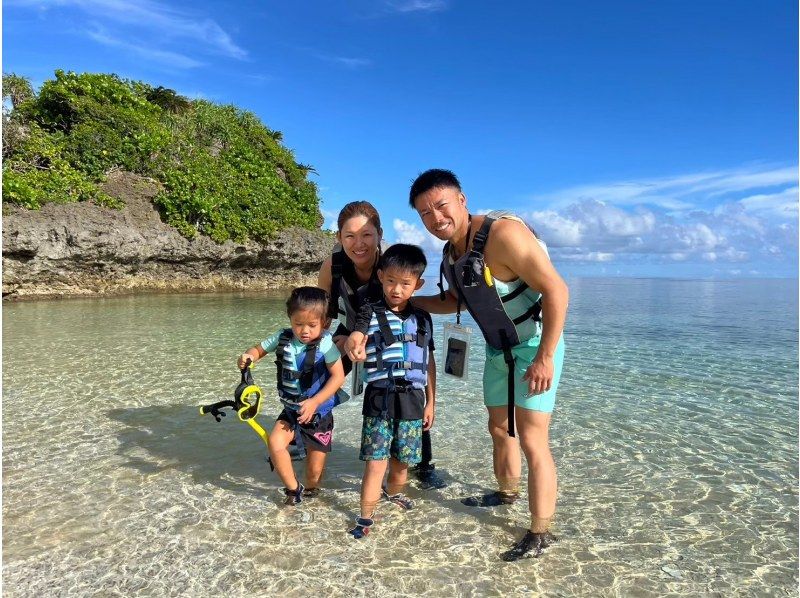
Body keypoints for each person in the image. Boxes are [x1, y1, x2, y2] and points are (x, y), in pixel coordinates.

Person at [408, 169, 568, 561]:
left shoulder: (504, 236)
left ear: (462, 199)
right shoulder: (450, 255)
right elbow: (456, 303)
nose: (436, 218)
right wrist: (411, 302)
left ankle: (540, 532)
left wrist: (546, 356)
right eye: (425, 213)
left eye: (441, 205)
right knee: (499, 428)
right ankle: (506, 492)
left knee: (532, 439)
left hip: (534, 345)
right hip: (499, 350)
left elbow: (556, 289)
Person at [318, 201, 446, 490]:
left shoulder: (392, 267)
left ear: (379, 235)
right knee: (318, 377)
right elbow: (321, 312)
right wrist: (328, 343)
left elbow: (408, 310)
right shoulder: (333, 265)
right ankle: (310, 435)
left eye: (367, 235)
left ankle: (423, 464)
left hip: (388, 336)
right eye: (349, 236)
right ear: (339, 237)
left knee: (407, 381)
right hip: (350, 331)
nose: (358, 243)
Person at [342, 244, 437, 538]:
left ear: (418, 285)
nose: (397, 289)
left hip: (413, 398)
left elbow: (428, 361)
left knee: (402, 459)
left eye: (406, 283)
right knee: (376, 461)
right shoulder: (369, 310)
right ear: (381, 276)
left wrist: (431, 402)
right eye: (391, 281)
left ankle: (393, 495)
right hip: (379, 396)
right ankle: (366, 515)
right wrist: (353, 344)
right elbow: (356, 333)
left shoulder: (423, 318)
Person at [237, 287, 346, 505]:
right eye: (298, 324)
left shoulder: (325, 344)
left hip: (318, 415)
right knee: (276, 444)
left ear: (324, 323)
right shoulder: (282, 337)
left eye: (312, 325)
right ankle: (293, 489)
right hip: (291, 410)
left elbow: (338, 377)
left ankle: (312, 494)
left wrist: (315, 402)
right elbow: (258, 350)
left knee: (314, 474)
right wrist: (248, 356)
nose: (304, 331)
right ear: (290, 319)